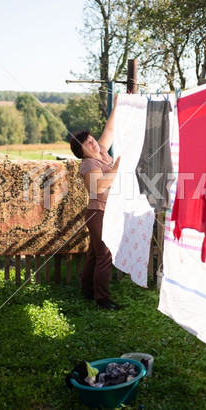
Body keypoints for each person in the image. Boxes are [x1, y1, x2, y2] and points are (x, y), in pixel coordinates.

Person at [70, 95, 121, 311]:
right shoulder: (89, 163)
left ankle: (87, 290)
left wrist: (119, 102)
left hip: (103, 212)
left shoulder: (99, 150)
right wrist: (119, 164)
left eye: (91, 138)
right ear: (82, 152)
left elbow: (110, 128)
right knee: (105, 255)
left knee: (94, 252)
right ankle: (102, 300)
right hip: (98, 213)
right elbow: (98, 187)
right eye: (87, 143)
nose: (92, 142)